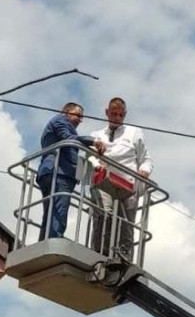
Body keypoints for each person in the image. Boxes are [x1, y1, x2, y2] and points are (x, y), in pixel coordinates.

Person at [89, 97, 152, 259]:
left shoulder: (134, 133)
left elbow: (145, 159)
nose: (117, 118)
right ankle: (100, 252)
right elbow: (90, 156)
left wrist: (144, 170)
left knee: (127, 222)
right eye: (113, 114)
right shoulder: (96, 135)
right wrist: (97, 165)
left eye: (120, 115)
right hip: (104, 181)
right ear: (106, 113)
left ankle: (124, 257)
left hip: (128, 184)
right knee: (104, 214)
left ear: (125, 115)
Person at [36, 102, 105, 241]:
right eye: (78, 115)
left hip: (53, 171)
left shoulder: (62, 125)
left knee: (51, 211)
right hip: (58, 172)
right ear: (66, 111)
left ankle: (46, 241)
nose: (80, 120)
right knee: (59, 208)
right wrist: (93, 141)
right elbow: (69, 139)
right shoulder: (60, 120)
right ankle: (54, 240)